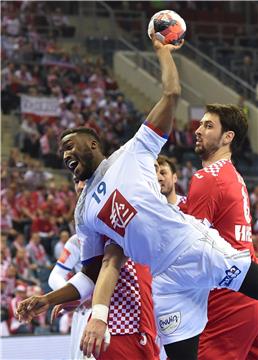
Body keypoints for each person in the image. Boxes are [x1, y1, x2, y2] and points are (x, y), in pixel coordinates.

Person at [16, 37, 258, 360]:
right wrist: (48, 298)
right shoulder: (84, 212)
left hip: (193, 249)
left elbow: (171, 95)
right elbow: (91, 273)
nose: (66, 156)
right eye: (62, 152)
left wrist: (163, 53)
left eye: (71, 147)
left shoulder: (133, 151)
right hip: (166, 282)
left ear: (92, 145)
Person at [179, 104, 258, 360]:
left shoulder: (208, 176)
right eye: (200, 124)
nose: (198, 130)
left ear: (228, 137)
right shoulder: (233, 175)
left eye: (208, 125)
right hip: (247, 291)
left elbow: (191, 247)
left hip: (227, 295)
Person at [49, 180, 159, 360]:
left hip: (130, 315)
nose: (80, 186)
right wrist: (74, 295)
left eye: (86, 181)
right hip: (92, 314)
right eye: (77, 182)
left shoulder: (122, 224)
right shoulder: (79, 239)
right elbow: (56, 276)